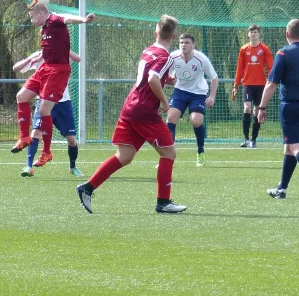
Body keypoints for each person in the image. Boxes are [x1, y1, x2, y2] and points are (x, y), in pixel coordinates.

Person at [76, 15, 187, 214]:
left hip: (131, 106)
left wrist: (165, 80)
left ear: (156, 33)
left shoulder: (148, 50)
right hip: (145, 111)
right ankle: (163, 202)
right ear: (174, 35)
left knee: (125, 156)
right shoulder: (166, 57)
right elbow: (153, 79)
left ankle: (87, 188)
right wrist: (164, 100)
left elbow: (150, 76)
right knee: (169, 152)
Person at [11, 3, 95, 167]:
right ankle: (24, 137)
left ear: (41, 14)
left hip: (58, 70)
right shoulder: (43, 28)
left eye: (31, 17)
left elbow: (69, 19)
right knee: (21, 96)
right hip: (45, 68)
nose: (31, 21)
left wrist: (84, 20)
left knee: (44, 110)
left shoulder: (55, 19)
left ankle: (47, 152)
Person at [12, 50, 84, 177]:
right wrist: (31, 59)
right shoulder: (39, 55)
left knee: (71, 140)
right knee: (35, 133)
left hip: (63, 104)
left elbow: (78, 58)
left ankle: (72, 166)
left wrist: (62, 46)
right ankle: (28, 166)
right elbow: (16, 68)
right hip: (44, 102)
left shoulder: (61, 54)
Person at [258, 19, 299, 199]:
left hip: (291, 106)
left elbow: (271, 84)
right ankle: (281, 189)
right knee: (289, 147)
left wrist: (262, 107)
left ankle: (281, 188)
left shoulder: (283, 53)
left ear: (287, 34)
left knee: (295, 146)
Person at [166, 33, 218, 167]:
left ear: (193, 45)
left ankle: (200, 152)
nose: (183, 45)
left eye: (187, 42)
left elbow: (214, 78)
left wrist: (211, 97)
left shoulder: (202, 59)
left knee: (196, 120)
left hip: (198, 93)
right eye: (181, 42)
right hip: (180, 91)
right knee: (171, 117)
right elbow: (168, 75)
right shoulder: (173, 57)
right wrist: (170, 79)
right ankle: (168, 156)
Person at [232, 24, 273, 148]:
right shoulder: (244, 49)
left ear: (259, 34)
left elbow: (271, 67)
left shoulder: (265, 49)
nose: (253, 34)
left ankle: (253, 140)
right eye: (251, 32)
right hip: (248, 84)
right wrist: (236, 85)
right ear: (248, 34)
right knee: (247, 108)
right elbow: (240, 68)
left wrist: (271, 82)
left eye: (255, 32)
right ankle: (245, 138)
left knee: (257, 111)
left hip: (261, 85)